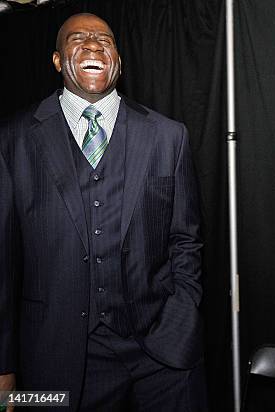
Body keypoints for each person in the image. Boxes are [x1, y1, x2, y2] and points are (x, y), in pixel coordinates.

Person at [0, 13, 206, 411]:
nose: (94, 45)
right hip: (57, 355)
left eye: (105, 40)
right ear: (58, 60)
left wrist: (181, 322)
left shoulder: (168, 136)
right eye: (79, 39)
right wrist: (4, 366)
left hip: (161, 352)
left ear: (119, 62)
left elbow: (186, 239)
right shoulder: (13, 140)